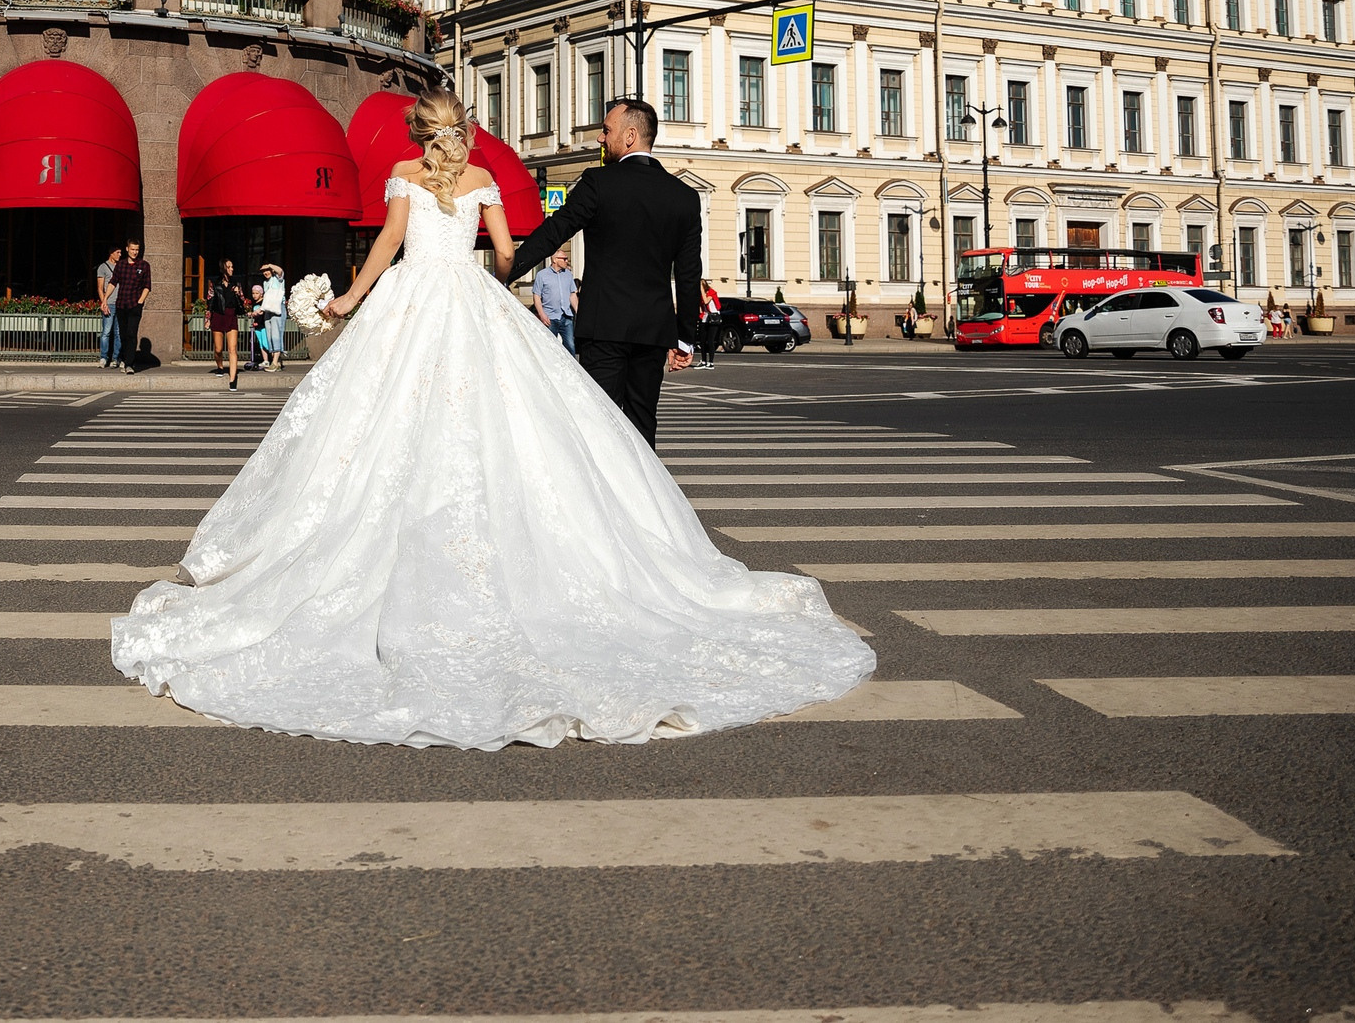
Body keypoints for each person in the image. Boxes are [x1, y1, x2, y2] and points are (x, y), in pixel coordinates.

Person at [112, 87, 871, 750]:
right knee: (545, 428)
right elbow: (508, 254)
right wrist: (507, 269)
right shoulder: (485, 181)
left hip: (411, 304)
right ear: (464, 132)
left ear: (420, 134)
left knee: (375, 420)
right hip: (478, 306)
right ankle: (617, 520)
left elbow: (385, 244)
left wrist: (347, 299)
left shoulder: (406, 176)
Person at [503, 97, 701, 446]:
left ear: (630, 135)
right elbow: (688, 274)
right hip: (653, 331)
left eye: (606, 131)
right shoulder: (684, 197)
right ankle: (646, 500)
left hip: (604, 326)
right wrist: (684, 338)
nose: (599, 138)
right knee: (642, 427)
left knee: (598, 427)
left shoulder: (599, 183)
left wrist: (506, 272)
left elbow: (555, 232)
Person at [109, 241, 152, 370]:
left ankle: (129, 364)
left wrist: (140, 302)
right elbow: (113, 282)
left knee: (131, 333)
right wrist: (105, 298)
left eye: (137, 250)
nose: (134, 252)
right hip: (121, 304)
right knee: (122, 334)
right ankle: (124, 357)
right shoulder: (121, 265)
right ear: (127, 249)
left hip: (134, 304)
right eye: (132, 249)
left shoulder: (144, 265)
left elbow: (147, 286)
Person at [205, 262, 246, 388]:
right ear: (223, 268)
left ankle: (232, 380)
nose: (232, 269)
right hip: (218, 315)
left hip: (231, 315)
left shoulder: (236, 283)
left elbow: (243, 301)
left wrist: (238, 293)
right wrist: (208, 319)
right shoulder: (214, 283)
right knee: (218, 349)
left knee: (232, 349)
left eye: (233, 266)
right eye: (229, 267)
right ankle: (220, 366)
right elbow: (210, 301)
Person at [531, 247, 577, 355]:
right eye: (564, 259)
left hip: (566, 316)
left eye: (567, 259)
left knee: (570, 346)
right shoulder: (542, 275)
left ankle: (572, 371)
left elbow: (572, 294)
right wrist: (541, 314)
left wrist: (578, 311)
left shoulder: (568, 275)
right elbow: (536, 296)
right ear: (555, 260)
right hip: (550, 317)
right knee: (549, 348)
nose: (567, 261)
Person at [252, 263, 286, 372]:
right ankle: (276, 361)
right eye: (263, 271)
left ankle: (275, 363)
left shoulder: (277, 278)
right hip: (268, 310)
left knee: (276, 334)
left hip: (277, 309)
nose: (265, 272)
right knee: (269, 334)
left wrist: (270, 265)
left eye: (267, 270)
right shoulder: (265, 283)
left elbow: (280, 271)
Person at [96, 246, 124, 369]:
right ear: (111, 253)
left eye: (121, 253)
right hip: (110, 303)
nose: (120, 255)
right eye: (117, 252)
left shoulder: (122, 267)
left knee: (118, 332)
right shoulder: (103, 267)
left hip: (121, 303)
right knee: (106, 332)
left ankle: (116, 358)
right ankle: (103, 357)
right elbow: (100, 287)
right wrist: (104, 302)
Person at [696, 280, 724, 368]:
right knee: (702, 340)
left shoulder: (711, 293)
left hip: (713, 318)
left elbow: (706, 301)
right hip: (705, 318)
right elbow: (701, 308)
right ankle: (703, 361)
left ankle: (711, 362)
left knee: (710, 340)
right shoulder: (701, 295)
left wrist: (701, 290)